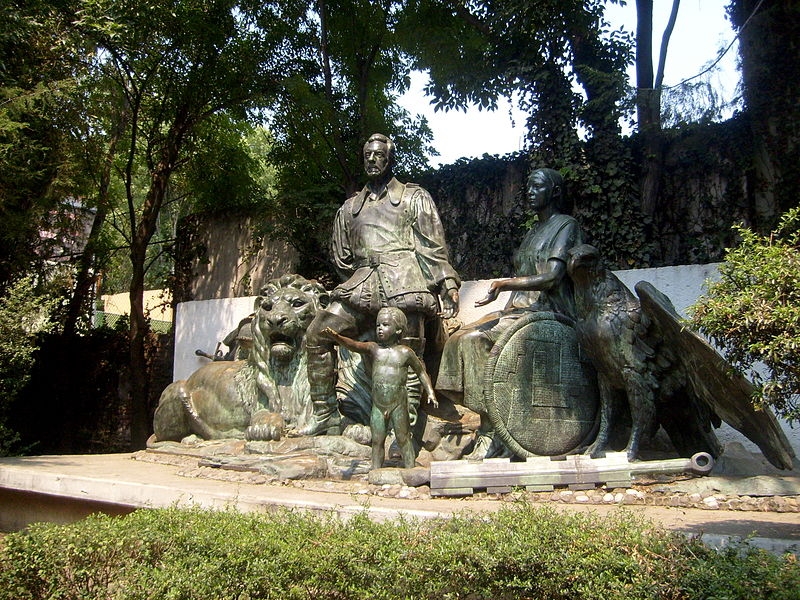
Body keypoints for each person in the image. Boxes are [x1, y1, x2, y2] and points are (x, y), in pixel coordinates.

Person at [301, 133, 460, 436]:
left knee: (409, 354)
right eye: (367, 155)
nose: (372, 159)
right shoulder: (350, 209)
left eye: (378, 154)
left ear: (390, 158)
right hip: (362, 283)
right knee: (318, 333)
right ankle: (325, 415)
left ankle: (405, 435)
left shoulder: (414, 197)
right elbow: (342, 257)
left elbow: (432, 246)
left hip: (405, 283)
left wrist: (446, 283)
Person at [435, 168, 583, 459]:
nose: (529, 192)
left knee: (474, 341)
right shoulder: (532, 233)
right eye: (528, 186)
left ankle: (492, 433)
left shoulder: (566, 226)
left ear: (554, 191)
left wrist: (503, 284)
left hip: (550, 312)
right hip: (518, 311)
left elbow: (553, 277)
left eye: (537, 186)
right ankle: (493, 424)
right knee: (457, 339)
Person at [321, 307, 437, 469]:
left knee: (403, 439)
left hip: (398, 404)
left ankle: (410, 469)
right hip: (378, 405)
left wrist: (430, 392)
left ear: (398, 330)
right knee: (377, 441)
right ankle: (375, 471)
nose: (379, 329)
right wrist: (337, 337)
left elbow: (421, 373)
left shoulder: (405, 352)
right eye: (378, 325)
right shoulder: (374, 349)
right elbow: (354, 345)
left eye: (385, 325)